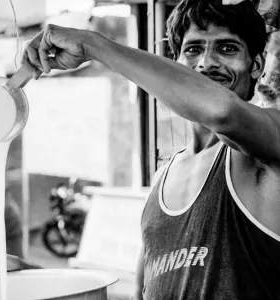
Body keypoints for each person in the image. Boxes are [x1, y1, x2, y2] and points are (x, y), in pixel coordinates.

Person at [22, 0, 280, 298]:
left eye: (227, 48)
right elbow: (144, 293)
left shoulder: (267, 146)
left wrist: (92, 45)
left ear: (257, 64)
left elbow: (223, 113)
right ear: (176, 61)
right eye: (193, 49)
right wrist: (31, 278)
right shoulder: (161, 178)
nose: (207, 62)